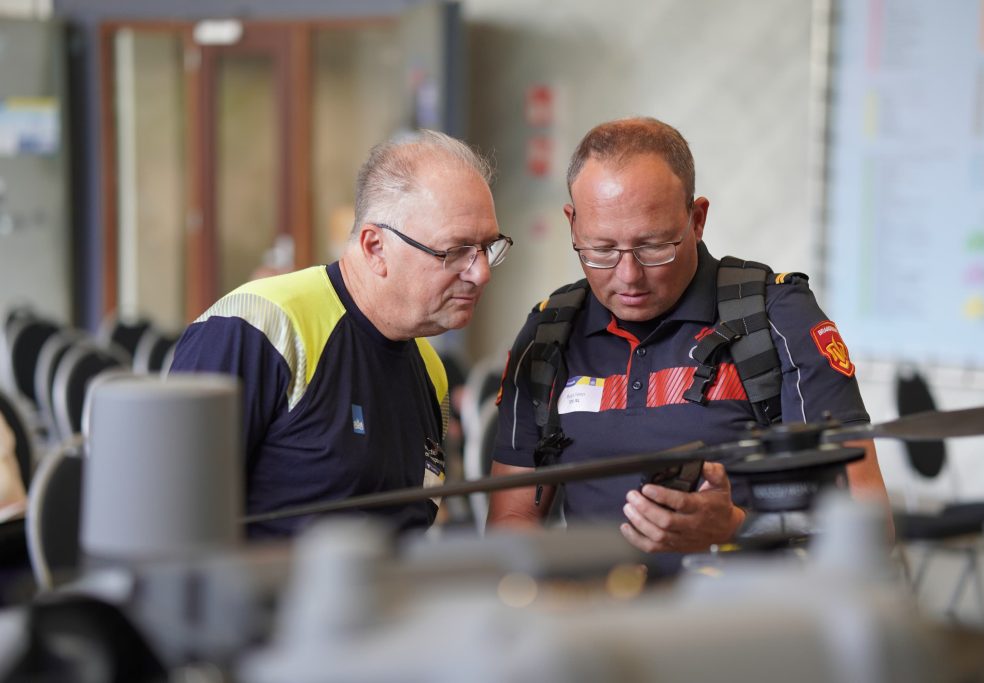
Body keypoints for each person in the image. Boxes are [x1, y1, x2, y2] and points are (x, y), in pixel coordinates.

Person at [487, 117, 889, 558]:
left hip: (747, 621)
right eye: (601, 249)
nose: (628, 276)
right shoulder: (549, 335)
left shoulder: (776, 319)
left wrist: (736, 528)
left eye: (654, 246)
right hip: (595, 620)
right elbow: (512, 520)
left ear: (697, 220)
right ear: (572, 225)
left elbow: (869, 528)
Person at [171, 130, 512, 538]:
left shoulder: (430, 368)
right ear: (375, 247)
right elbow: (171, 526)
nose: (482, 272)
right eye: (455, 251)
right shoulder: (258, 328)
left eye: (487, 247)